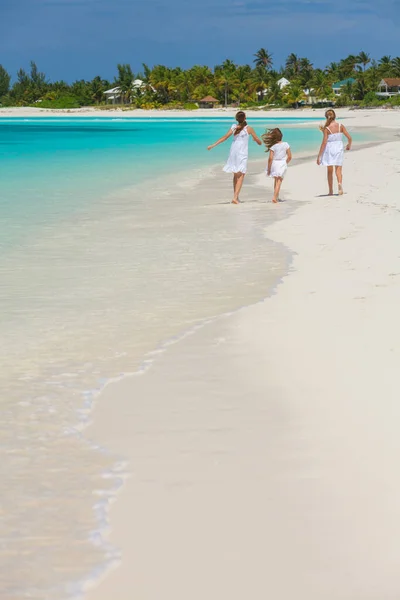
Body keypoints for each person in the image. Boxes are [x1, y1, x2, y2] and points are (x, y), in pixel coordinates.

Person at [207, 111, 262, 204]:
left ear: (237, 119)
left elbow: (225, 137)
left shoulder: (233, 127)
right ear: (245, 118)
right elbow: (259, 143)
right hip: (242, 153)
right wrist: (256, 139)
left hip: (233, 152)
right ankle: (235, 198)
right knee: (241, 174)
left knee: (236, 174)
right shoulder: (249, 129)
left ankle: (236, 196)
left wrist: (213, 145)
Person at [317, 109, 352, 196]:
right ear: (335, 116)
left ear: (326, 117)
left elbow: (324, 142)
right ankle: (339, 184)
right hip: (339, 148)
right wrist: (348, 145)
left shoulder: (327, 128)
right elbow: (349, 138)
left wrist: (319, 156)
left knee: (329, 171)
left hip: (329, 149)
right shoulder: (340, 126)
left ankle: (330, 191)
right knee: (338, 170)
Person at [262, 128, 292, 204]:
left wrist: (269, 169)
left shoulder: (273, 146)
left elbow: (270, 158)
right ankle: (275, 198)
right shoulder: (286, 144)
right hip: (282, 163)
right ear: (281, 136)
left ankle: (276, 197)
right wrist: (285, 162)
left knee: (276, 180)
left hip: (274, 164)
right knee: (279, 181)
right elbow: (290, 156)